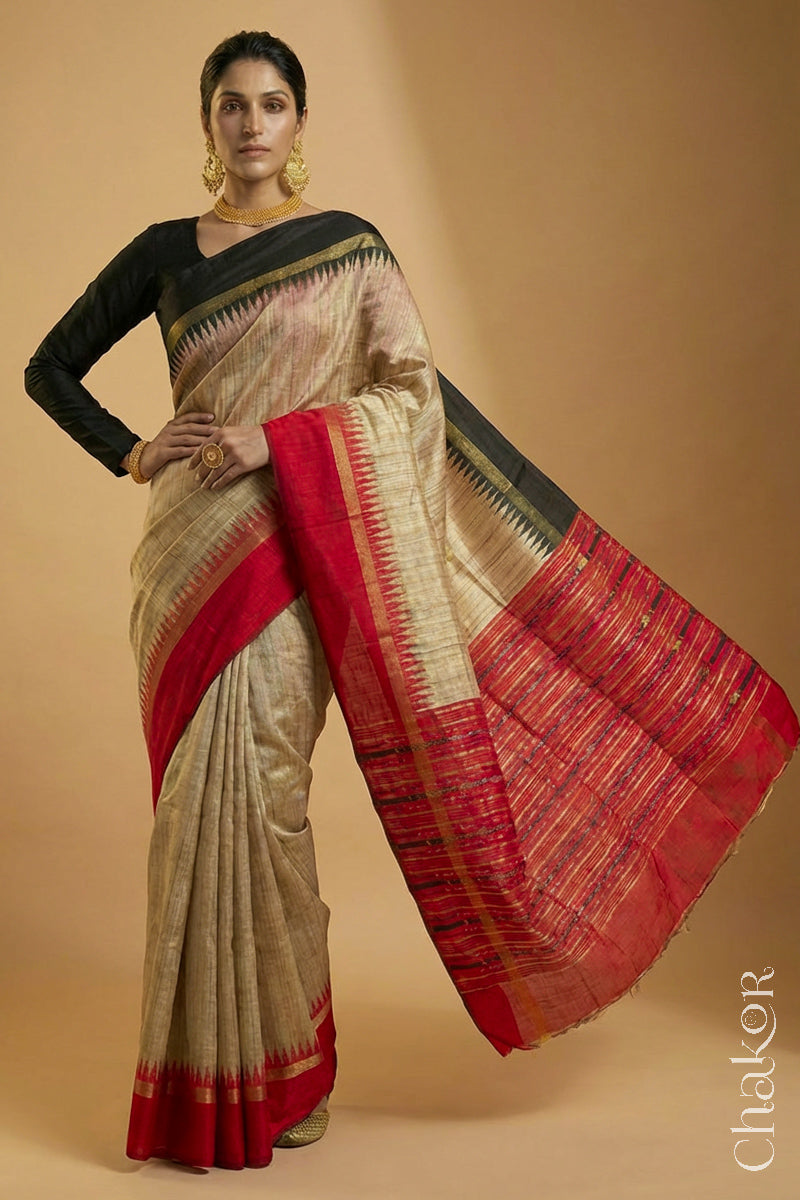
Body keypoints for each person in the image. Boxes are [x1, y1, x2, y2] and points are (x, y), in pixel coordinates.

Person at [25, 30, 798, 1173]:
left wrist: (275, 442)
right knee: (194, 814)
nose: (249, 125)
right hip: (187, 564)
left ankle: (285, 1072)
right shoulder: (159, 254)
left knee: (267, 805)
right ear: (206, 124)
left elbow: (407, 396)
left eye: (271, 104)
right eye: (230, 105)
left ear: (297, 125)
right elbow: (48, 368)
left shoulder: (348, 251)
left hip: (290, 558)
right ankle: (201, 1080)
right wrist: (136, 452)